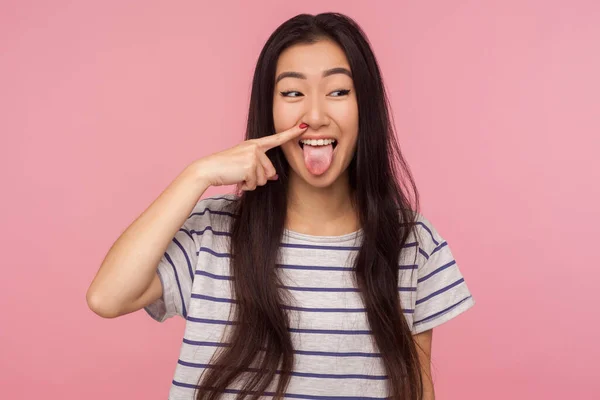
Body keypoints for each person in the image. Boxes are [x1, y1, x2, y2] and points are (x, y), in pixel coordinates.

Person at [86, 12, 475, 400]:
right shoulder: (212, 231)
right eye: (292, 93)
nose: (316, 116)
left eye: (338, 91)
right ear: (268, 107)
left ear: (365, 107)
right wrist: (196, 175)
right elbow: (107, 297)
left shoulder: (414, 243)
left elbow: (417, 390)